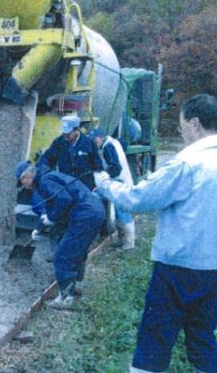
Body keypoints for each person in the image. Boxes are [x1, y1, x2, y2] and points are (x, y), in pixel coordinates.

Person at [94, 94, 217, 373]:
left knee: (155, 340)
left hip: (175, 269)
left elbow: (138, 199)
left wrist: (105, 183)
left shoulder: (186, 164)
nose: (181, 133)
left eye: (181, 126)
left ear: (194, 123)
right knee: (203, 339)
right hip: (214, 268)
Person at [16, 160, 106, 309]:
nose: (25, 187)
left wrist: (51, 218)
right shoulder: (47, 177)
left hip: (85, 214)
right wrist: (39, 228)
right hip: (95, 211)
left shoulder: (45, 182)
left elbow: (64, 200)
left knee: (62, 256)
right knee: (77, 252)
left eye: (22, 183)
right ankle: (77, 286)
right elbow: (52, 206)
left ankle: (65, 299)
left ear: (25, 178)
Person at [89, 128, 136, 249]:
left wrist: (102, 173)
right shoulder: (114, 142)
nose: (94, 143)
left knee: (122, 212)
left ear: (101, 137)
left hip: (120, 181)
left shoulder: (107, 147)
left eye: (95, 140)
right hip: (123, 180)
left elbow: (116, 167)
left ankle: (129, 243)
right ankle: (123, 240)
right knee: (121, 211)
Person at [36, 114, 103, 190]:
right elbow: (47, 158)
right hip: (66, 185)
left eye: (68, 132)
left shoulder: (89, 144)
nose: (65, 135)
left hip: (85, 187)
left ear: (76, 130)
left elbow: (98, 167)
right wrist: (39, 171)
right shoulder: (59, 143)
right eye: (63, 132)